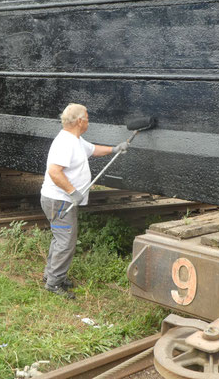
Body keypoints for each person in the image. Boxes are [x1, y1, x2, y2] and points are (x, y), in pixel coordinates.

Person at [40, 103, 128, 299]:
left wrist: (114, 149)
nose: (89, 121)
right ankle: (54, 284)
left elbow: (93, 149)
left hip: (60, 200)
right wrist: (72, 192)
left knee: (59, 239)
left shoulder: (75, 140)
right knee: (66, 243)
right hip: (60, 201)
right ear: (80, 121)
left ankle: (51, 275)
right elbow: (54, 172)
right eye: (87, 118)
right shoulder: (65, 143)